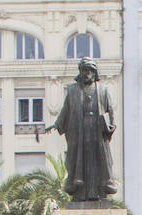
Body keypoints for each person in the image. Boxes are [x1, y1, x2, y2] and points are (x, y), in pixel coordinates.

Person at [48, 59, 117, 201]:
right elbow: (65, 110)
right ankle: (79, 192)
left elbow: (110, 110)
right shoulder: (73, 90)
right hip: (79, 131)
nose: (87, 73)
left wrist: (112, 126)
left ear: (94, 73)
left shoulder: (103, 89)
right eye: (84, 70)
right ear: (80, 72)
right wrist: (56, 124)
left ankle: (100, 191)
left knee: (99, 160)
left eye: (90, 71)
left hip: (97, 131)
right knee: (79, 160)